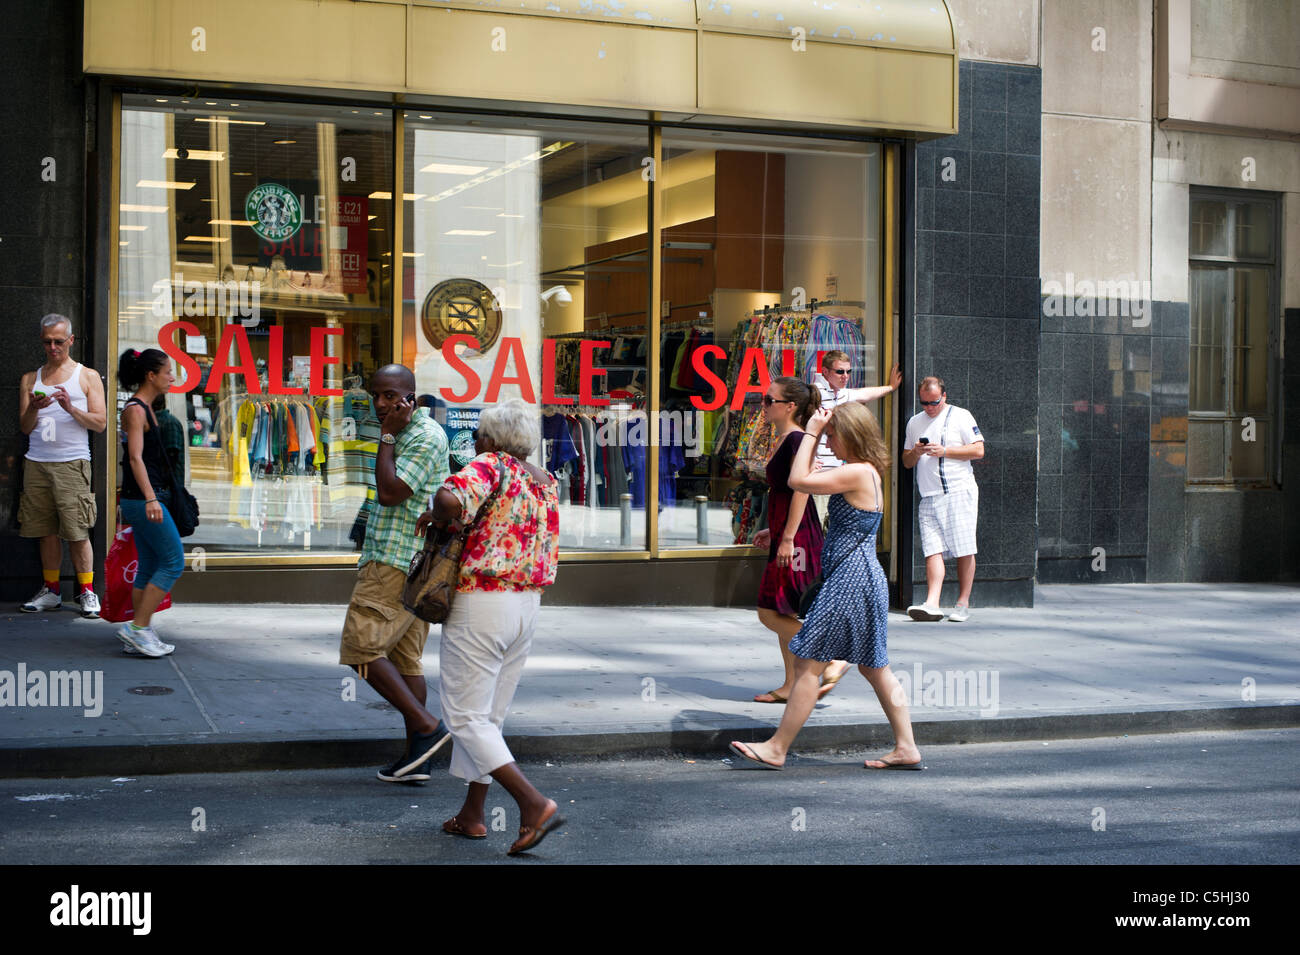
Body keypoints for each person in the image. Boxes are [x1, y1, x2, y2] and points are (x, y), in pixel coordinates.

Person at [729, 402, 922, 771]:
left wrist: (812, 432)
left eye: (834, 436)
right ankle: (906, 747)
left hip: (850, 580)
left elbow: (797, 481)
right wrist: (779, 531)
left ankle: (777, 748)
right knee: (875, 668)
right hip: (863, 578)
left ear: (850, 434)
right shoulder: (865, 473)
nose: (830, 443)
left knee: (808, 667)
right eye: (827, 436)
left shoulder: (857, 474)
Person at [416, 398, 564, 856]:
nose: (476, 441)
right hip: (526, 606)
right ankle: (472, 815)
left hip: (482, 602)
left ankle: (532, 802)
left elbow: (447, 498)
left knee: (464, 715)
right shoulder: (545, 480)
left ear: (493, 439)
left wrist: (442, 518)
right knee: (489, 716)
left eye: (480, 434)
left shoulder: (490, 465)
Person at [338, 364, 452, 783]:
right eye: (377, 395)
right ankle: (415, 759)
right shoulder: (404, 432)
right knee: (406, 663)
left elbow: (390, 494)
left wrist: (386, 436)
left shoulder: (421, 436)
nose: (381, 403)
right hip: (405, 562)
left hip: (396, 565)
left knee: (361, 649)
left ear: (411, 397)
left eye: (391, 395)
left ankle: (427, 727)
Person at [750, 377, 848, 704]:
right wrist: (774, 531)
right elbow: (784, 491)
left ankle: (829, 659)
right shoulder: (787, 440)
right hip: (788, 532)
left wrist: (788, 537)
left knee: (769, 611)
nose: (762, 405)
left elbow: (802, 489)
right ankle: (791, 684)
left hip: (798, 537)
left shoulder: (795, 440)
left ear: (789, 406)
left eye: (768, 400)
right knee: (784, 612)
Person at [18, 314, 108, 617]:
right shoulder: (31, 379)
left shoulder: (87, 376)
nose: (53, 347)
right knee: (46, 531)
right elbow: (26, 427)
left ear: (71, 340)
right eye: (47, 342)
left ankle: (86, 591)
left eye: (59, 341)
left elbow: (100, 422)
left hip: (72, 463)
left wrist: (70, 408)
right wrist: (33, 406)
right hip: (37, 462)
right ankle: (52, 590)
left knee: (77, 530)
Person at [115, 348, 185, 657]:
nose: (172, 377)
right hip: (142, 499)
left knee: (148, 565)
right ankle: (137, 628)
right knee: (173, 562)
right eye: (168, 371)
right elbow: (134, 458)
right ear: (151, 375)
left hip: (142, 499)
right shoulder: (136, 410)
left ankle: (139, 631)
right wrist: (151, 498)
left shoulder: (146, 407)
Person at [902, 376, 984, 622]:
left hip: (958, 491)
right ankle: (932, 601)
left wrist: (945, 451)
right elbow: (906, 462)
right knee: (932, 549)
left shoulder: (961, 416)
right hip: (928, 494)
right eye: (924, 403)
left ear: (944, 396)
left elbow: (978, 450)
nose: (929, 407)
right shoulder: (915, 422)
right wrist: (916, 452)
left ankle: (962, 603)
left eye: (934, 402)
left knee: (964, 547)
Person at [810, 351, 902, 523]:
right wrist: (809, 459)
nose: (845, 376)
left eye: (848, 371)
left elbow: (865, 394)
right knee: (817, 527)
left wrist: (890, 387)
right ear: (825, 372)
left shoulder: (844, 393)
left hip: (840, 474)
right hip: (820, 474)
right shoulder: (814, 393)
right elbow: (802, 428)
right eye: (840, 371)